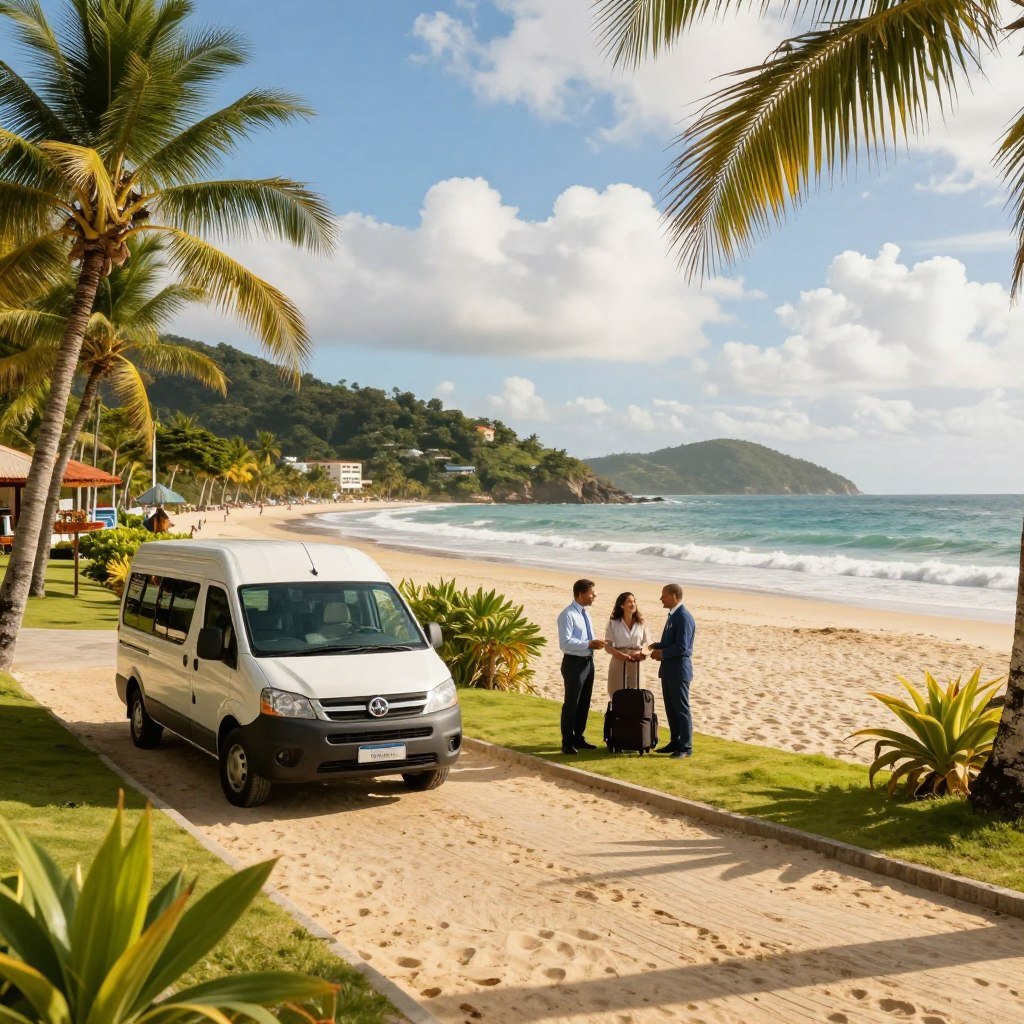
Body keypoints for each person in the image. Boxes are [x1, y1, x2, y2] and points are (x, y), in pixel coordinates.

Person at [556, 579, 605, 755]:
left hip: (588, 662)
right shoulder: (567, 614)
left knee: (584, 702)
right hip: (573, 663)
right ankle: (567, 742)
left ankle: (579, 738)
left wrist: (594, 644)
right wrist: (588, 644)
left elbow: (585, 640)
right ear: (580, 594)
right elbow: (565, 643)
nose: (595, 595)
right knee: (572, 703)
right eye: (592, 593)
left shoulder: (585, 614)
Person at [649, 583, 696, 759]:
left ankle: (685, 746)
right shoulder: (673, 615)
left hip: (678, 671)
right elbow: (671, 642)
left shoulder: (683, 617)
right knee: (671, 708)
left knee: (681, 708)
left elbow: (683, 647)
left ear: (674, 596)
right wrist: (656, 646)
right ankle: (675, 741)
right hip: (669, 670)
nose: (661, 598)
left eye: (664, 595)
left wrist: (661, 653)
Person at [604, 592, 651, 695]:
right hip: (618, 661)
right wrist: (618, 654)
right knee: (616, 693)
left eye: (634, 601)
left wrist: (643, 654)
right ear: (621, 605)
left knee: (636, 694)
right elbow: (607, 646)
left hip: (636, 663)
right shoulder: (613, 622)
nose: (633, 604)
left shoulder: (641, 622)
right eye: (629, 602)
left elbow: (648, 644)